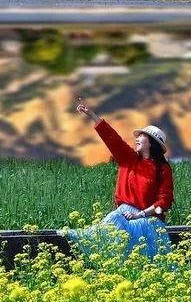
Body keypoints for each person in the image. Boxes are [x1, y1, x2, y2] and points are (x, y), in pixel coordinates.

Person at [64, 97, 175, 261]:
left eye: (142, 136)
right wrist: (92, 115)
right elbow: (112, 139)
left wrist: (141, 215)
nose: (137, 138)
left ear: (151, 142)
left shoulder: (163, 169)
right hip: (124, 216)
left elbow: (164, 202)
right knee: (109, 230)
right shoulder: (129, 158)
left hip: (148, 221)